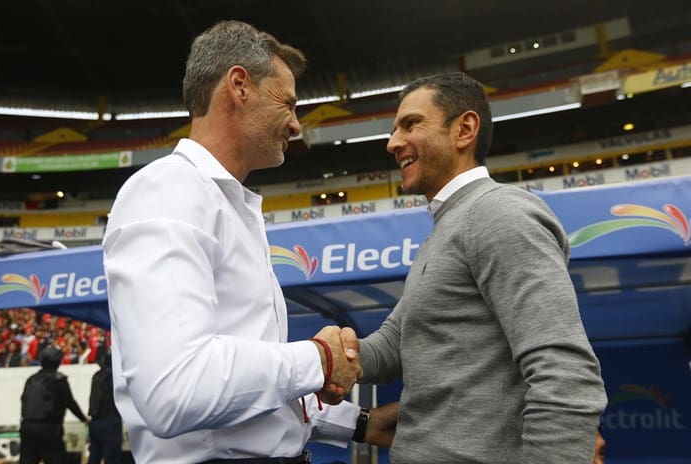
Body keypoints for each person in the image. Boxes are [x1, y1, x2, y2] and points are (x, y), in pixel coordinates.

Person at [102, 20, 393, 463]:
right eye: (288, 102)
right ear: (239, 86)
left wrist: (358, 423)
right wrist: (317, 359)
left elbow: (243, 401)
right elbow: (177, 389)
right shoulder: (168, 191)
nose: (296, 124)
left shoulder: (218, 201)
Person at [347, 72, 607, 463]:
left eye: (410, 124)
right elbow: (391, 347)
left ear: (464, 130)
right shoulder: (452, 225)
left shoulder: (498, 212)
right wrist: (319, 358)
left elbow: (565, 373)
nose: (393, 142)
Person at [19, 345, 88, 464]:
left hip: (27, 427)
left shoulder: (32, 379)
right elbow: (70, 403)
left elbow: (24, 400)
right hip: (49, 428)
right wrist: (84, 419)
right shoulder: (59, 380)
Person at [87, 351, 123, 464]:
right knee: (112, 458)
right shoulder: (115, 376)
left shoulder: (96, 376)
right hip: (110, 421)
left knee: (94, 456)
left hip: (95, 421)